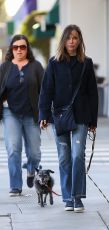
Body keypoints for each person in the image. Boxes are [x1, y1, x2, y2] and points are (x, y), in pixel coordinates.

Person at [39, 24, 98, 212]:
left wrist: (93, 121)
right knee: (64, 158)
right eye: (69, 38)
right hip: (60, 118)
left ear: (79, 40)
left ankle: (77, 197)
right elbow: (46, 91)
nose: (72, 41)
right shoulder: (54, 63)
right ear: (63, 40)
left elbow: (92, 93)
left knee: (77, 156)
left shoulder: (86, 63)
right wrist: (43, 115)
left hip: (81, 116)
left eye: (75, 38)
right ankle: (67, 198)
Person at [0, 34, 44, 196]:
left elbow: (45, 90)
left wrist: (45, 114)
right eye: (16, 47)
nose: (19, 50)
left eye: (23, 47)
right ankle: (15, 187)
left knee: (34, 153)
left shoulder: (36, 67)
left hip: (31, 115)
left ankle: (31, 169)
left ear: (27, 49)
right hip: (10, 113)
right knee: (13, 148)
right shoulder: (5, 67)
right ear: (12, 49)